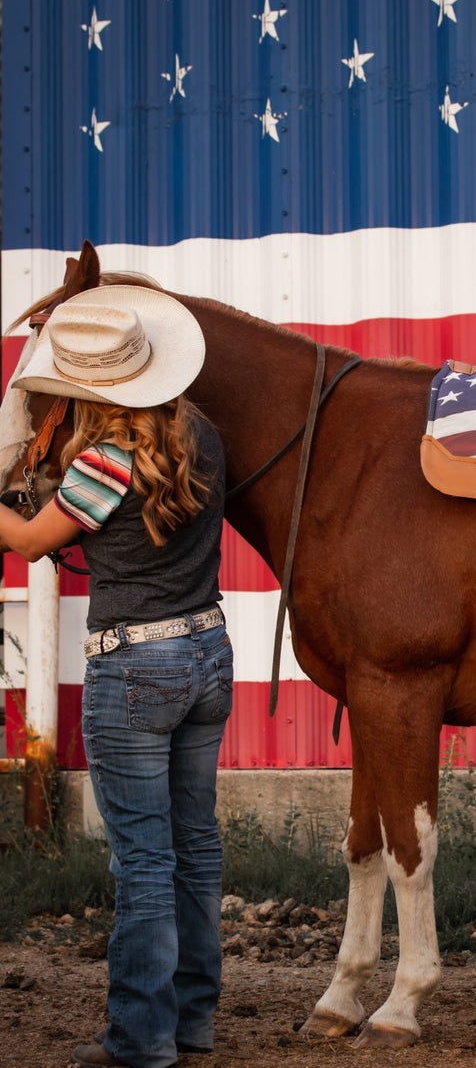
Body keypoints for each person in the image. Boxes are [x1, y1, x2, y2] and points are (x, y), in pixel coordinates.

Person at [0, 286, 233, 1068]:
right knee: (195, 845)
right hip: (206, 649)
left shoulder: (106, 460)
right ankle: (193, 1019)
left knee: (142, 858)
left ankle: (141, 1040)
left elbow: (34, 541)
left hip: (135, 666)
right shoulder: (204, 434)